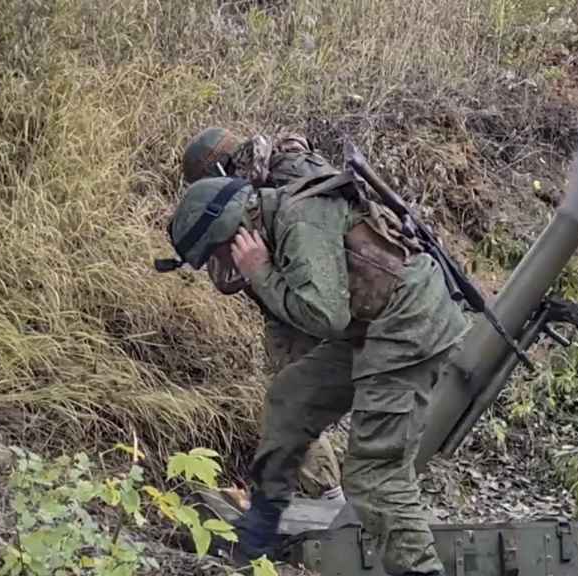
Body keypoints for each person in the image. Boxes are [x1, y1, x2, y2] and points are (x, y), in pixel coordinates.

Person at [158, 129, 469, 575]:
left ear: (236, 233)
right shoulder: (275, 214)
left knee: (374, 475)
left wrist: (260, 271)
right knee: (290, 396)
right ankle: (257, 536)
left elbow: (324, 317)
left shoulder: (297, 218)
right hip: (372, 321)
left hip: (409, 324)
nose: (222, 267)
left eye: (219, 254)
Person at [180, 127, 349, 504]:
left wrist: (260, 270)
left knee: (290, 399)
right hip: (306, 298)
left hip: (306, 304)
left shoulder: (275, 185)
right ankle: (309, 490)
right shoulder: (277, 169)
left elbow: (241, 275)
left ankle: (326, 498)